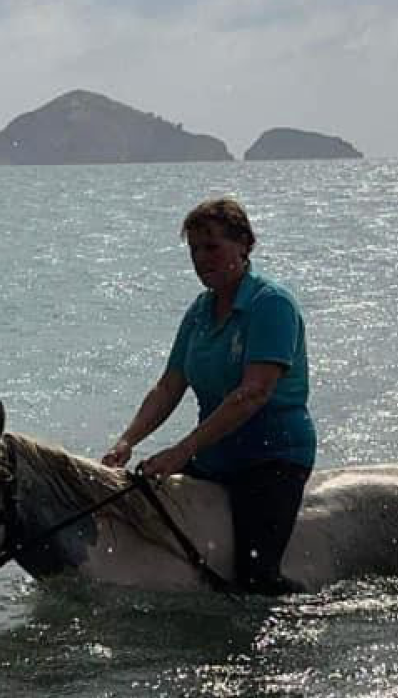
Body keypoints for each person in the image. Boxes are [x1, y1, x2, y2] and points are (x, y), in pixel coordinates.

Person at [101, 197, 316, 594]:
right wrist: (127, 441)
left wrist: (181, 451)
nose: (202, 258)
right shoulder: (200, 311)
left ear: (244, 244)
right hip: (216, 457)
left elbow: (252, 394)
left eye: (212, 246)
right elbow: (169, 387)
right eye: (194, 250)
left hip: (272, 458)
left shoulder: (271, 305)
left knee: (255, 578)